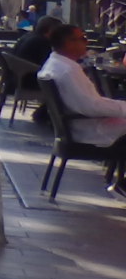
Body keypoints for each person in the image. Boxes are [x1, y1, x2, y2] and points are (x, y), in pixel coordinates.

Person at [39, 25, 126, 192]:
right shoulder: (67, 70)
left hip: (78, 125)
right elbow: (91, 107)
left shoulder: (57, 63)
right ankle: (123, 186)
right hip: (88, 128)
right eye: (83, 39)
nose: (86, 43)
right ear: (69, 43)